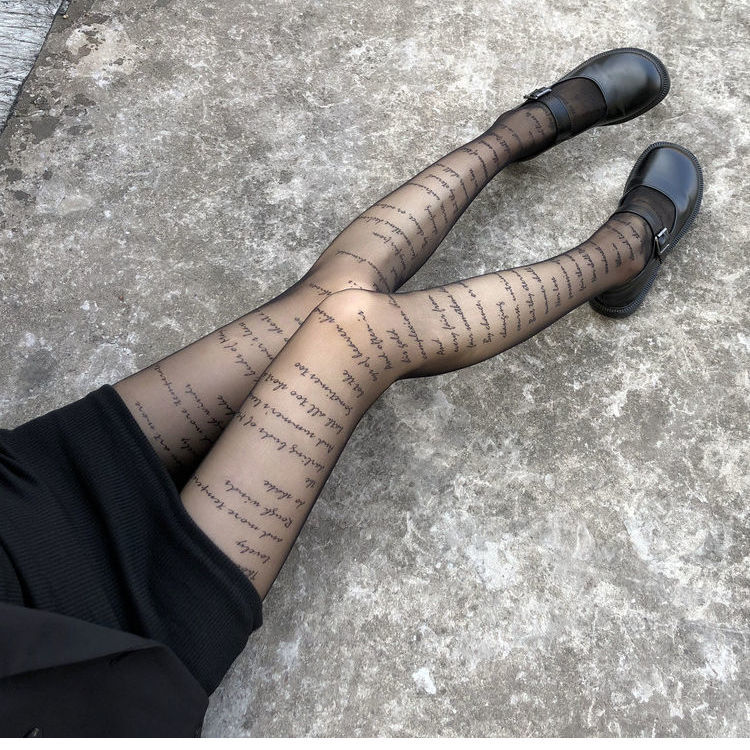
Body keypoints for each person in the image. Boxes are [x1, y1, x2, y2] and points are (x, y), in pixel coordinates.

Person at [0, 47, 702, 737]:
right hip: (106, 654)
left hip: (19, 515)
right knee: (356, 328)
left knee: (328, 296)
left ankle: (521, 130)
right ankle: (623, 254)